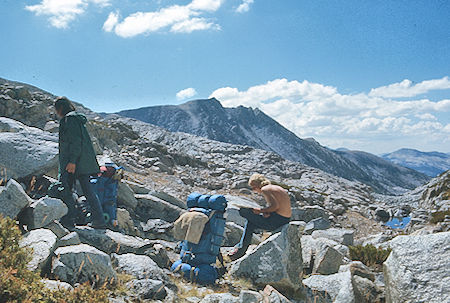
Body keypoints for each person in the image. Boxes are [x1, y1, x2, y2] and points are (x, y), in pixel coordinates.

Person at [55, 96, 107, 229]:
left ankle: (68, 221)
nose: (56, 112)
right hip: (79, 162)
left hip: (74, 163)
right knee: (86, 191)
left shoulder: (70, 119)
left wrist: (72, 161)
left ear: (61, 108)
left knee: (68, 189)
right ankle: (97, 220)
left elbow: (75, 142)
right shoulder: (74, 119)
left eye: (56, 109)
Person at [229, 173, 291, 260]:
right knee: (251, 223)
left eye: (254, 187)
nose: (254, 190)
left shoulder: (265, 189)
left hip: (277, 222)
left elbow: (275, 206)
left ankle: (240, 250)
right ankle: (240, 249)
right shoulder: (275, 187)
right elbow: (278, 207)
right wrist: (268, 212)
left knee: (244, 212)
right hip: (284, 219)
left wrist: (260, 211)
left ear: (258, 184)